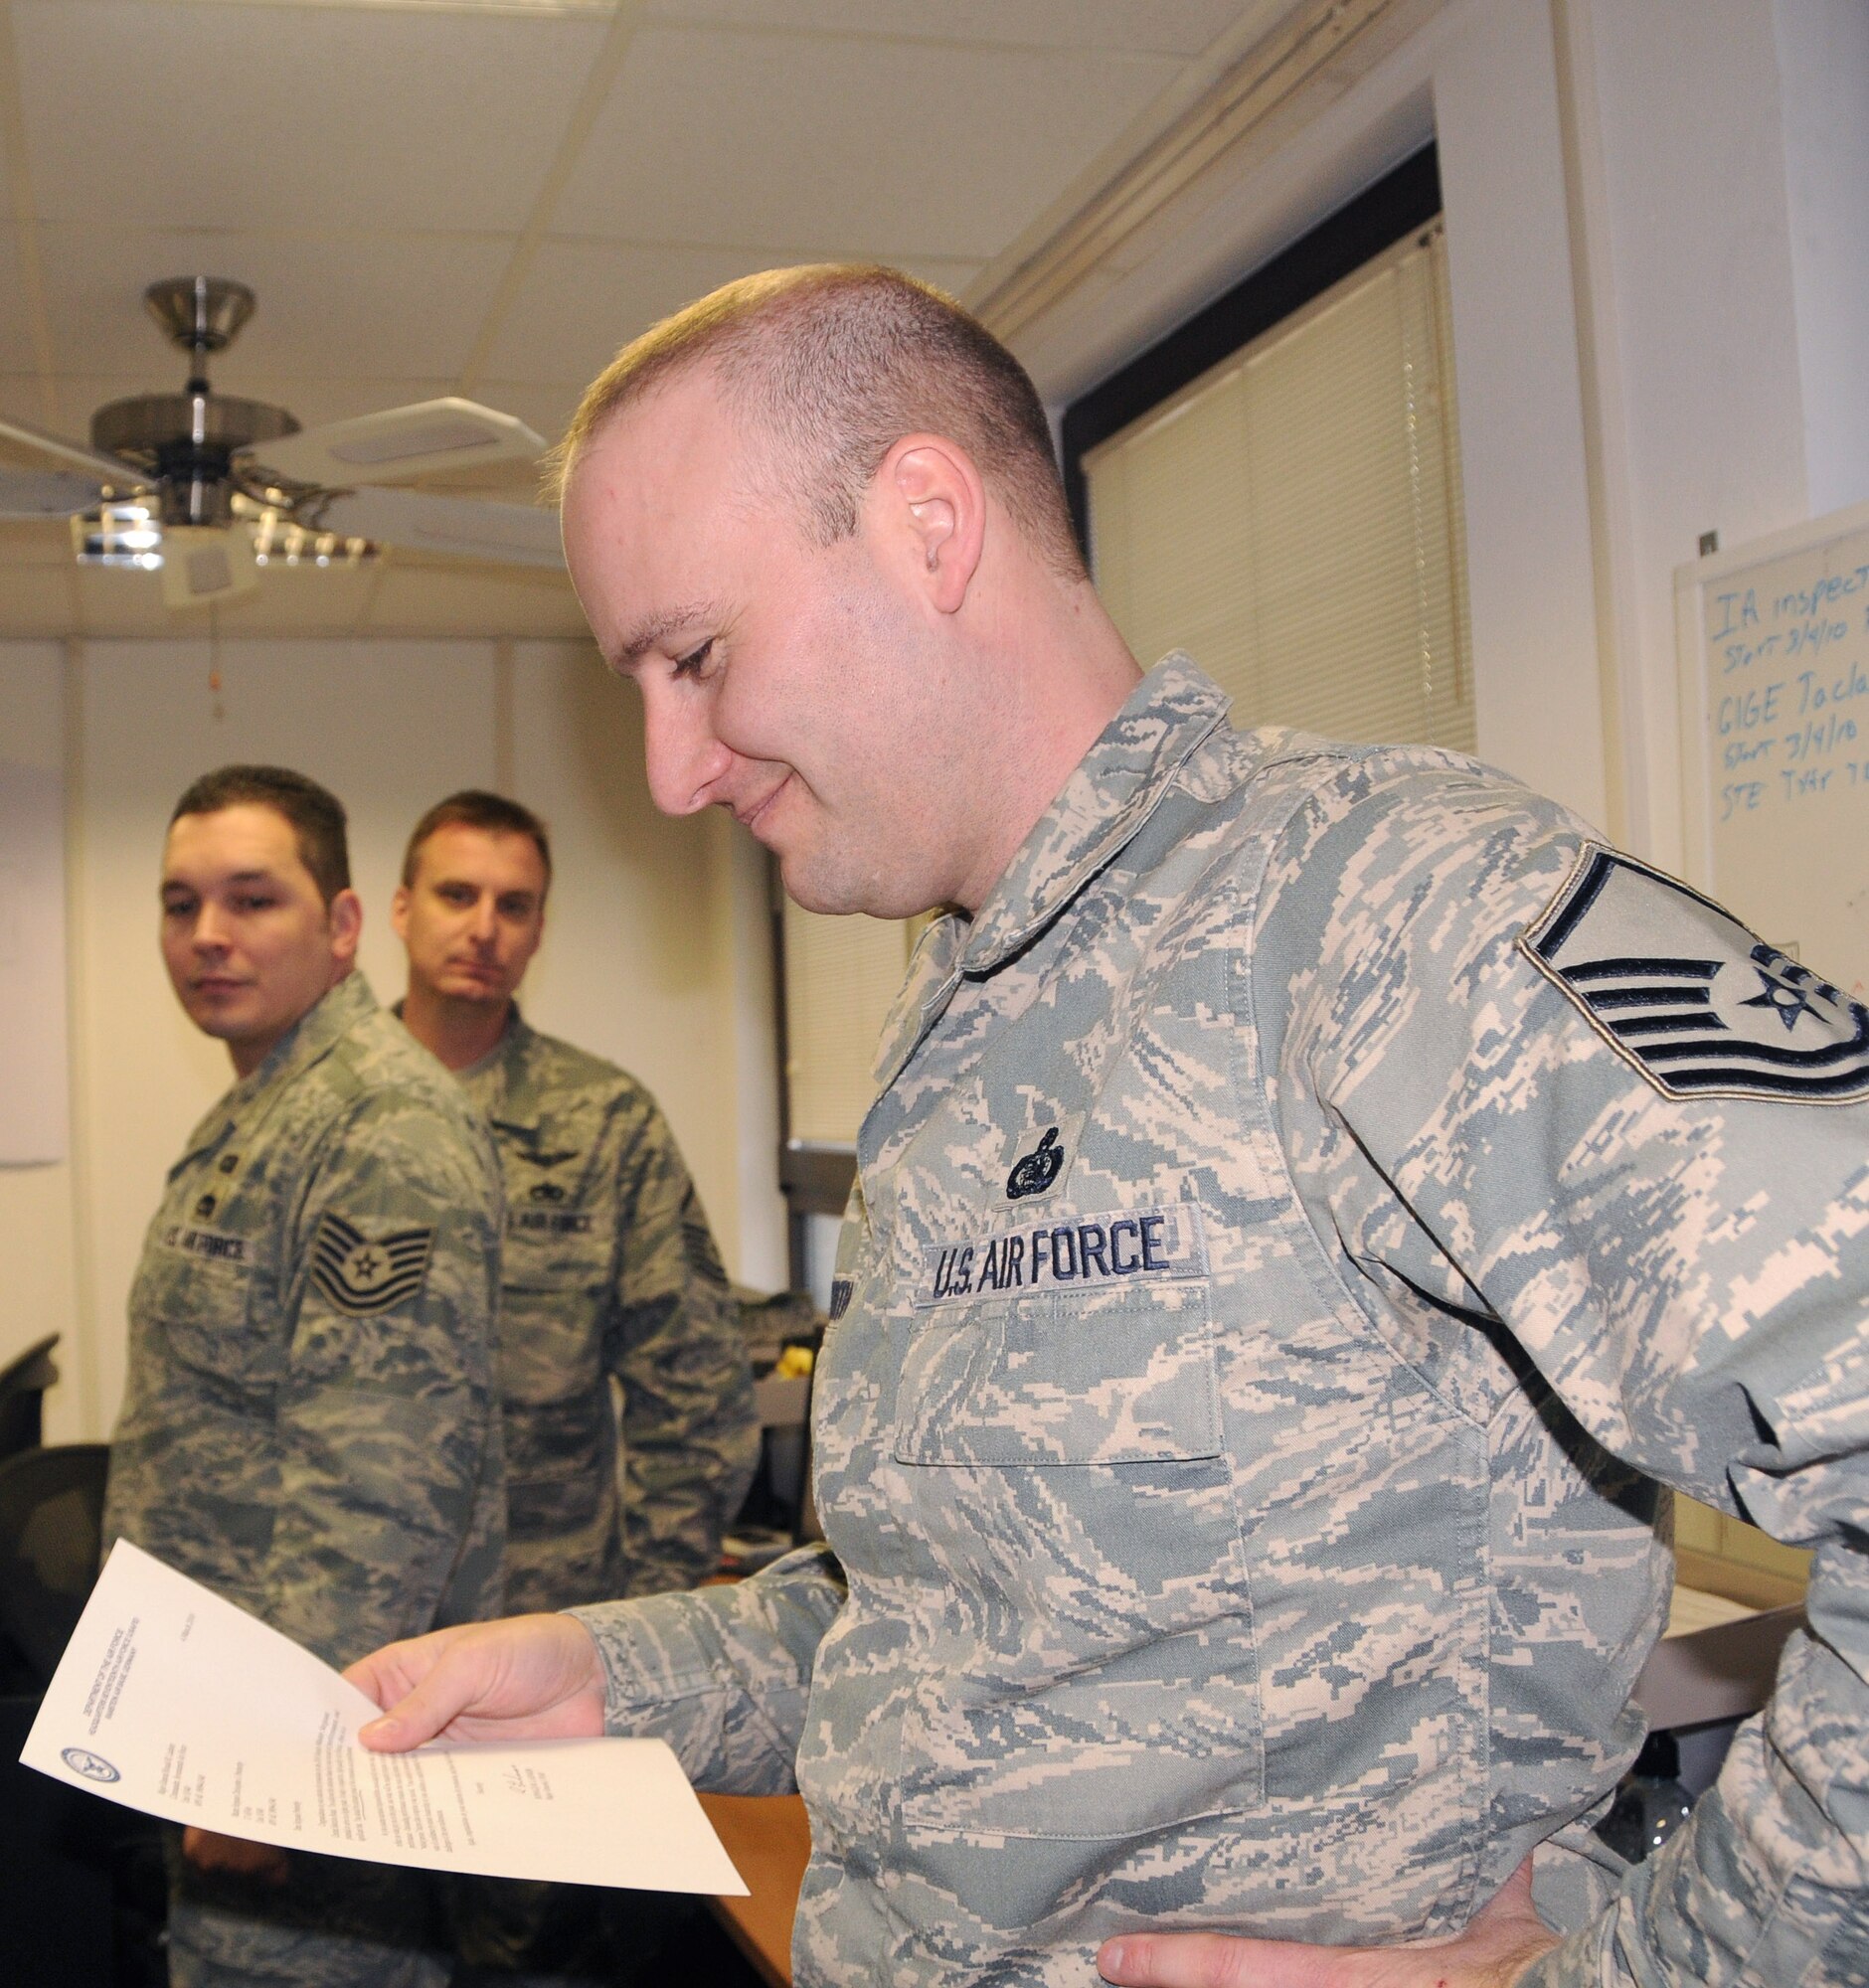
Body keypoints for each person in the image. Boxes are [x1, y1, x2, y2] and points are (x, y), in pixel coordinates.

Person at [347, 267, 1869, 1988]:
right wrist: (618, 1681)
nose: (669, 773)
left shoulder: (1385, 911)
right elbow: (966, 1624)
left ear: (929, 524)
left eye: (696, 659)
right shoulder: (970, 1017)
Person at [104, 764, 506, 1988]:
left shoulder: (377, 1125)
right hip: (218, 1713)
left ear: (341, 927)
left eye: (250, 899)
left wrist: (276, 1765)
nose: (209, 936)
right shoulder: (268, 1105)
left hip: (300, 1759)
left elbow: (373, 1496)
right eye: (181, 904)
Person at [390, 789, 759, 1982]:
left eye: (515, 903)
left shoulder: (600, 1122)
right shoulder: (327, 1117)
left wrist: (636, 1623)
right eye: (456, 894)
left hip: (541, 1653)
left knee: (534, 1959)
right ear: (399, 909)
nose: (483, 926)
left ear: (540, 929)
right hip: (354, 1638)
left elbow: (693, 1388)